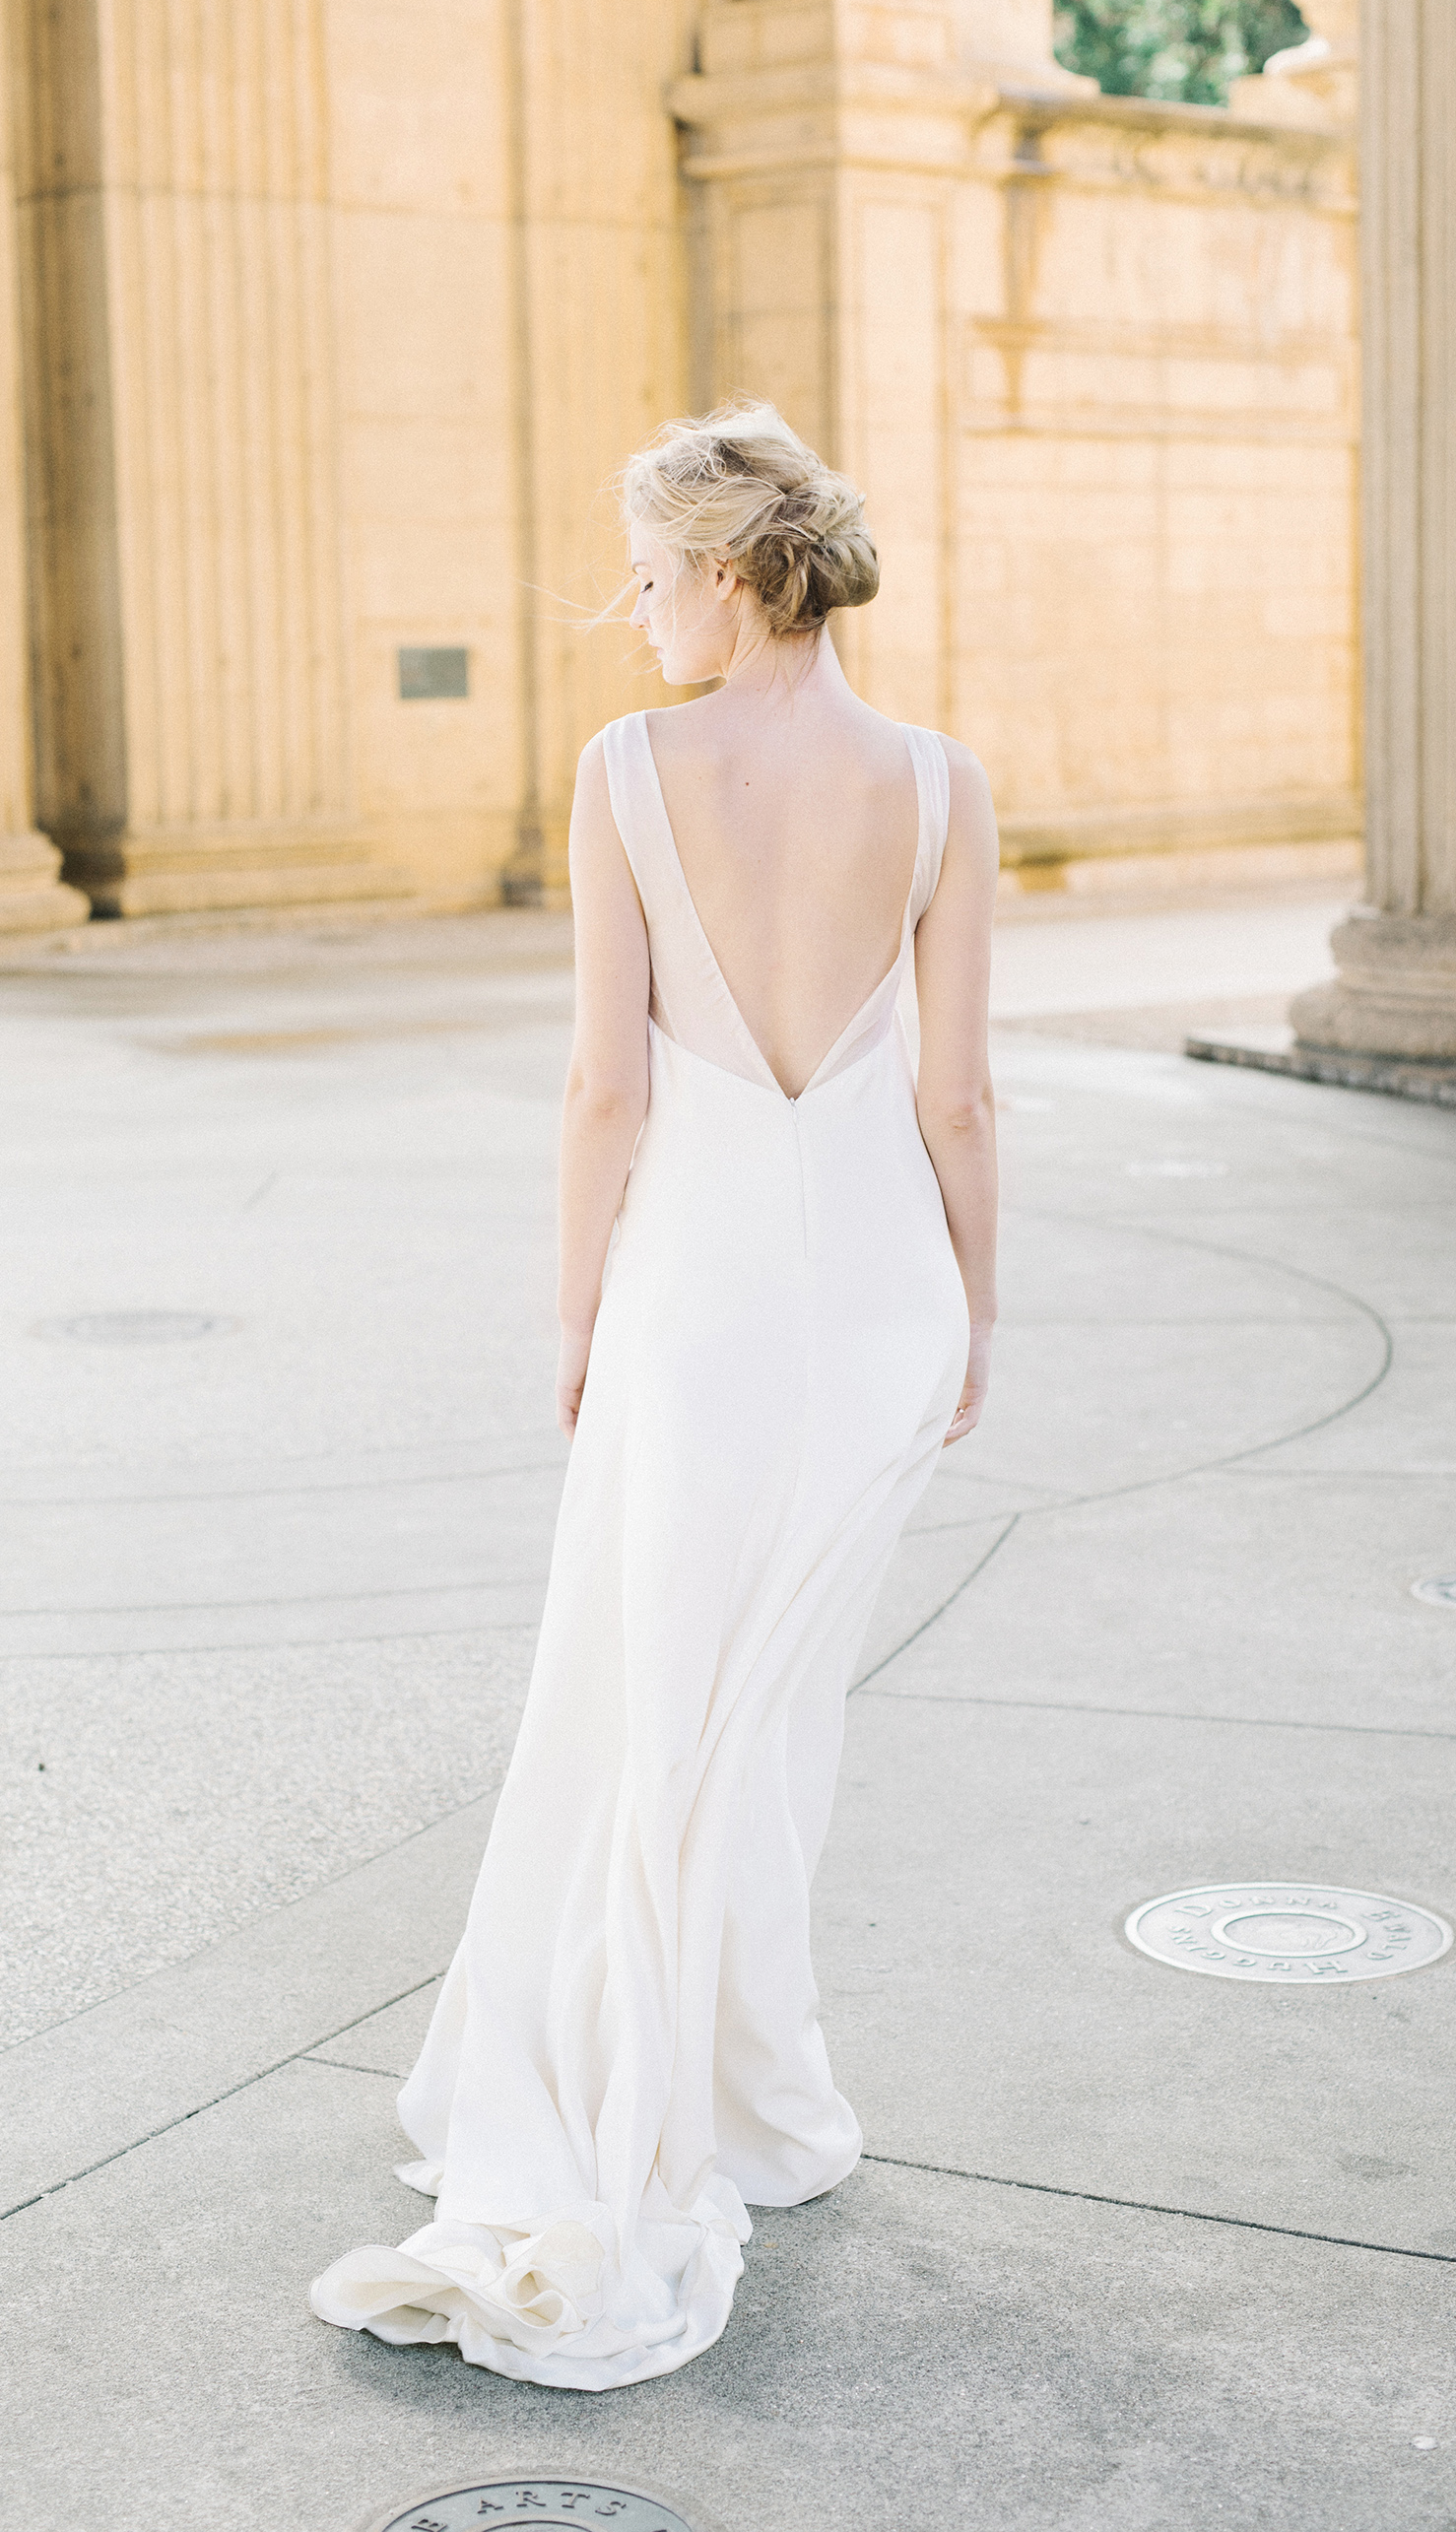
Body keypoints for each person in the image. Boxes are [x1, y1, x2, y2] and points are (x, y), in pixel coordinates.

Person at [309, 400, 998, 2389]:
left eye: (643, 576)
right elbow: (955, 1093)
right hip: (879, 1302)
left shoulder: (631, 771)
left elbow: (607, 1082)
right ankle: (753, 2094)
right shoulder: (940, 784)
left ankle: (652, 2110)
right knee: (768, 1715)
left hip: (695, 1300)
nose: (631, 617)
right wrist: (982, 1304)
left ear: (726, 573)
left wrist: (571, 1308)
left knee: (645, 1700)